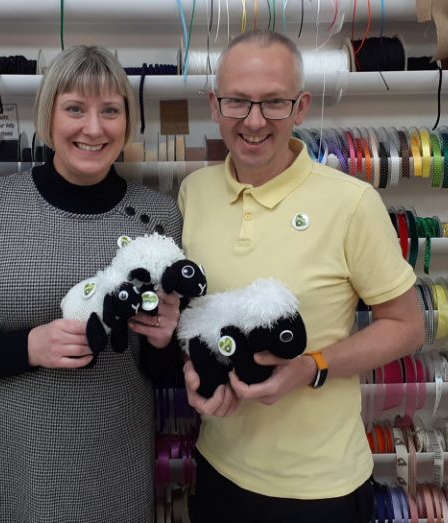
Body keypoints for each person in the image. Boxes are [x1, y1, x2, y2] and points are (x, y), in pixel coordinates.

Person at [0, 45, 183, 522]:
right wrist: (28, 347)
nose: (93, 128)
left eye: (109, 111)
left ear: (127, 122)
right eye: (75, 108)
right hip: (10, 469)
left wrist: (162, 341)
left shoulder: (159, 217)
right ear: (48, 116)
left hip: (114, 469)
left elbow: (165, 372)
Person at [178, 30, 425, 523]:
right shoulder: (194, 192)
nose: (253, 121)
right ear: (214, 106)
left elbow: (407, 326)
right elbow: (197, 313)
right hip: (218, 467)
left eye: (274, 102)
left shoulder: (352, 203)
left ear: (301, 108)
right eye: (237, 101)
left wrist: (311, 367)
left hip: (319, 489)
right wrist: (193, 366)